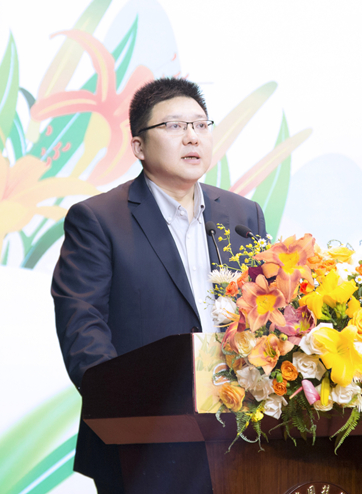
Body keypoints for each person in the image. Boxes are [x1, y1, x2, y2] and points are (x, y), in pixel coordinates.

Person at [52, 77, 266, 493]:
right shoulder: (99, 220)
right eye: (174, 126)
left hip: (240, 434)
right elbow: (82, 322)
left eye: (200, 125)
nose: (192, 137)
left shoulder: (243, 215)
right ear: (138, 147)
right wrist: (118, 404)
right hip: (144, 440)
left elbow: (268, 310)